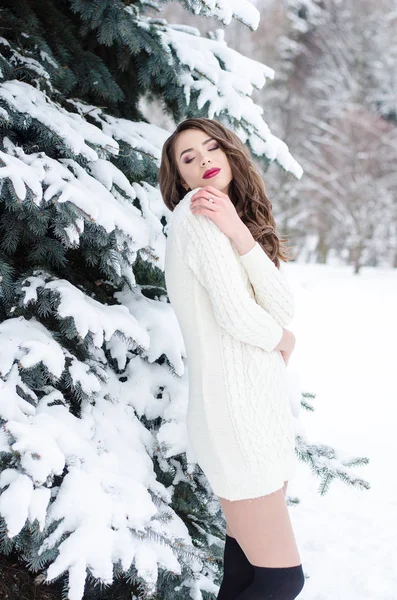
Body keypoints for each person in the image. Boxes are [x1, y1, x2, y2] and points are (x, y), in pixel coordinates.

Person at [159, 117, 305, 599]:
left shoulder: (222, 220)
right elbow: (239, 316)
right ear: (180, 179)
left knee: (246, 574)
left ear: (228, 154)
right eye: (188, 157)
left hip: (255, 415)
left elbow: (281, 304)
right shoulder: (197, 217)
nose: (203, 160)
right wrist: (281, 341)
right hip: (236, 420)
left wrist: (239, 232)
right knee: (283, 579)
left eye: (210, 148)